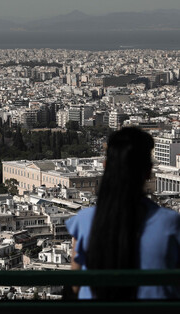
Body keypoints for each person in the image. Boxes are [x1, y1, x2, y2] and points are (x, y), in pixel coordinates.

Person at [65, 126, 180, 300]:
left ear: (105, 166)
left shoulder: (84, 221)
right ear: (148, 171)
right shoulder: (170, 223)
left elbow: (75, 286)